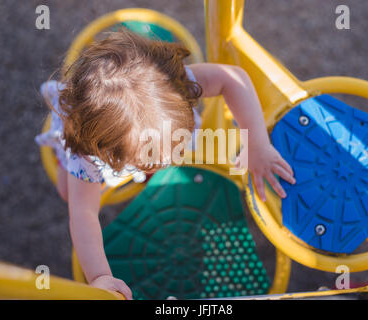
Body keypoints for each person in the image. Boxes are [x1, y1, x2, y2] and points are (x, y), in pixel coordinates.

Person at [35, 27, 295, 299]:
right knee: (70, 194)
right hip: (82, 145)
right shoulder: (87, 154)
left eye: (175, 146)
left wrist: (257, 143)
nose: (169, 160)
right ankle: (70, 159)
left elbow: (233, 78)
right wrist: (100, 275)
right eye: (151, 161)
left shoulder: (174, 85)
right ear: (108, 153)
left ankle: (146, 172)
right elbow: (83, 215)